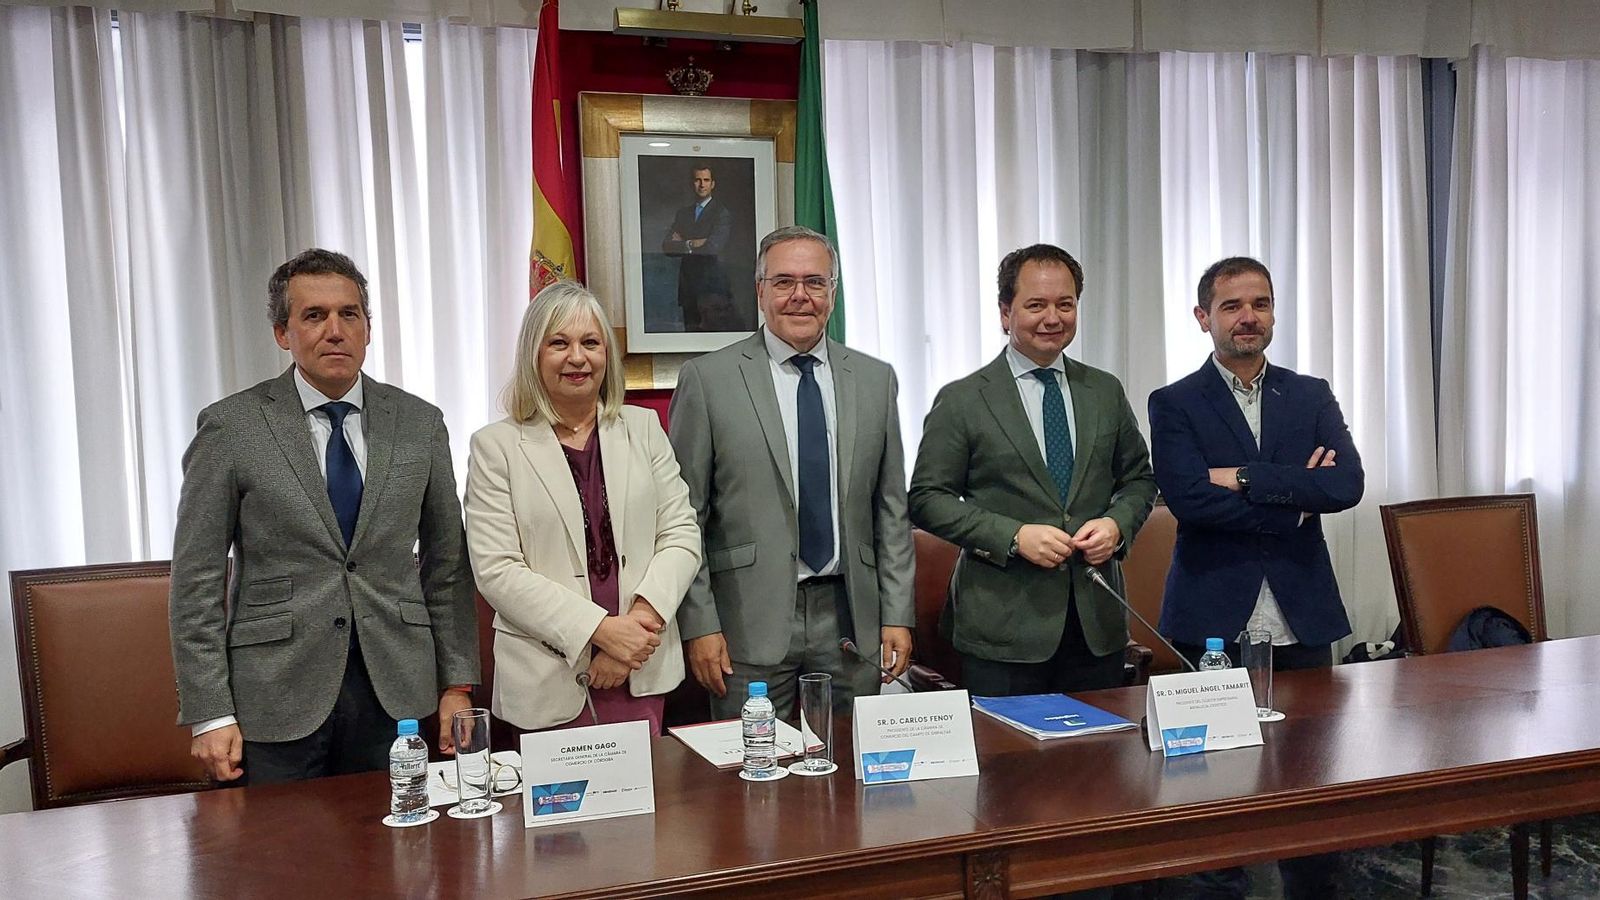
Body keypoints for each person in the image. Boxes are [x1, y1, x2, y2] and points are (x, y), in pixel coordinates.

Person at [169, 248, 479, 785]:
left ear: (367, 328)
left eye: (349, 314)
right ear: (282, 333)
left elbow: (446, 565)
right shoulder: (230, 428)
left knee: (396, 859)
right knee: (281, 861)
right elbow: (195, 580)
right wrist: (211, 711)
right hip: (275, 695)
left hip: (396, 693)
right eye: (314, 316)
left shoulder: (420, 424)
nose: (334, 330)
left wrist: (457, 685)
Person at [1148, 255, 1364, 899]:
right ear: (1203, 317)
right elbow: (1188, 499)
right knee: (1211, 782)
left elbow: (1345, 484)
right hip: (1210, 611)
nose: (1249, 318)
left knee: (1311, 779)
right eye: (1233, 306)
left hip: (1302, 611)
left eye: (1260, 304)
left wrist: (1243, 477)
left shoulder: (1310, 393)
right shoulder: (1175, 402)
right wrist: (1296, 496)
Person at [669, 225, 914, 719]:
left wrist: (897, 615)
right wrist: (699, 625)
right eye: (783, 282)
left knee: (853, 774)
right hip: (745, 621)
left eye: (815, 282)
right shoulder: (709, 380)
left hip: (852, 618)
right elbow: (682, 517)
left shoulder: (874, 380)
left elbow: (891, 509)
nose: (800, 296)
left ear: (833, 293)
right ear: (760, 292)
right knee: (750, 778)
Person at [909, 243, 1157, 696]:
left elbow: (1140, 479)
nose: (1053, 318)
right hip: (1002, 631)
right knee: (1011, 765)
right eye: (1036, 305)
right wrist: (1013, 536)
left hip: (1096, 625)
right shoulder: (964, 399)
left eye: (1065, 304)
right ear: (1006, 313)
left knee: (1098, 760)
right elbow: (926, 499)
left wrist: (1116, 526)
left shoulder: (1103, 391)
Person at [465, 282, 700, 734]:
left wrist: (636, 629)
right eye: (559, 343)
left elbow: (681, 533)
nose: (578, 357)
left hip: (638, 666)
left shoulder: (644, 427)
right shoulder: (496, 447)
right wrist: (600, 633)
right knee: (563, 805)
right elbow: (497, 569)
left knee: (649, 802)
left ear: (606, 355)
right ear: (534, 355)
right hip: (546, 675)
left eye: (591, 343)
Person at [661, 165, 737, 332]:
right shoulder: (683, 213)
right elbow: (667, 246)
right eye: (697, 180)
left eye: (706, 180)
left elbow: (713, 247)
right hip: (688, 286)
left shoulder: (721, 213)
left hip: (711, 287)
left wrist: (682, 242)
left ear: (713, 184)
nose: (702, 185)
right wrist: (692, 243)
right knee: (691, 334)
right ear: (692, 183)